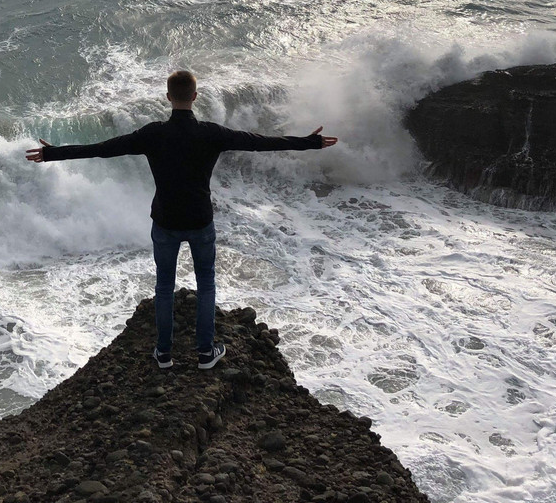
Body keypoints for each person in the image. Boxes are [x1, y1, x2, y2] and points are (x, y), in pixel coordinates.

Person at [25, 70, 337, 369]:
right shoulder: (211, 133)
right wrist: (307, 142)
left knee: (164, 287)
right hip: (200, 220)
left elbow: (104, 149)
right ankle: (205, 352)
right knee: (206, 285)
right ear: (195, 96)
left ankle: (163, 352)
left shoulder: (153, 133)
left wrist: (55, 154)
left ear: (168, 97)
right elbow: (260, 141)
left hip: (165, 221)